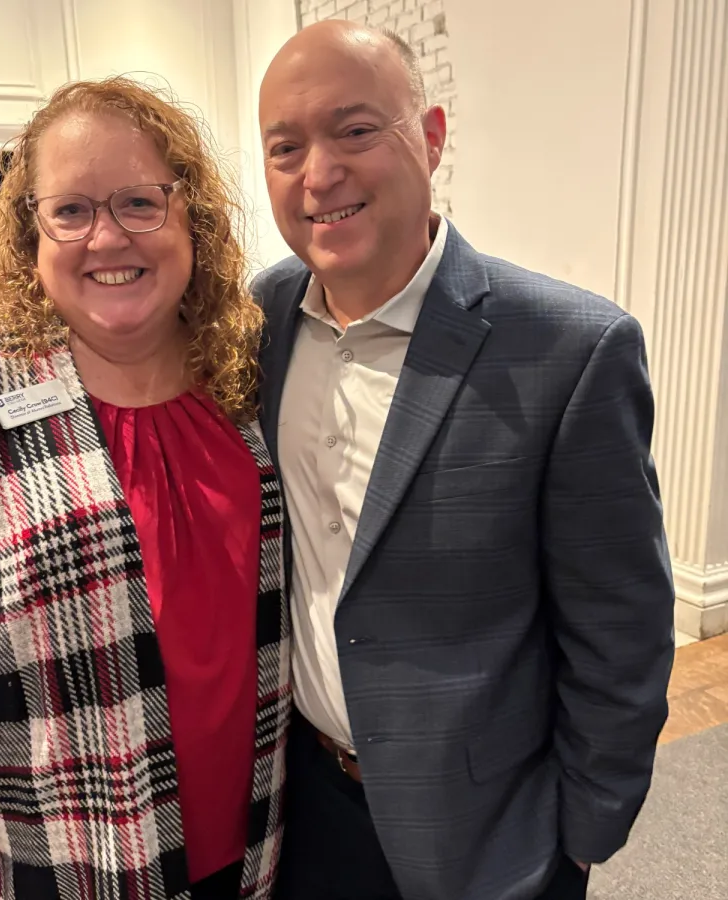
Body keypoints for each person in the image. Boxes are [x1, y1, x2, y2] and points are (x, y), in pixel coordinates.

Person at [0, 76, 289, 900]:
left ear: (193, 217)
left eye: (139, 202)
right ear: (28, 232)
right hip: (61, 864)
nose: (106, 238)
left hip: (251, 843)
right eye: (71, 211)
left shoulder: (240, 382)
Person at [253, 20, 674, 900]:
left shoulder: (571, 349)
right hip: (307, 808)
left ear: (431, 137)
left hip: (493, 835)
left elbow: (621, 629)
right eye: (285, 146)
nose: (318, 172)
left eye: (355, 130)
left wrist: (583, 834)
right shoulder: (264, 319)